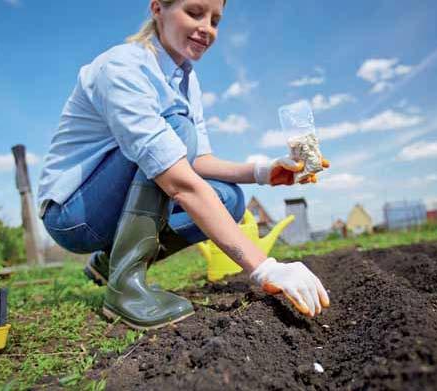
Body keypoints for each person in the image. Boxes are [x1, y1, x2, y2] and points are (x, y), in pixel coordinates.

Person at [37, 0, 330, 330]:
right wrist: (264, 267)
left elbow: (198, 160)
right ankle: (125, 290)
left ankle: (109, 264)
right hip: (74, 214)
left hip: (112, 200)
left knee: (229, 198)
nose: (207, 28)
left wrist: (262, 172)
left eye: (215, 20)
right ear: (157, 9)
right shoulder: (122, 67)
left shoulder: (186, 80)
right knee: (176, 127)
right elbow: (178, 179)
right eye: (194, 12)